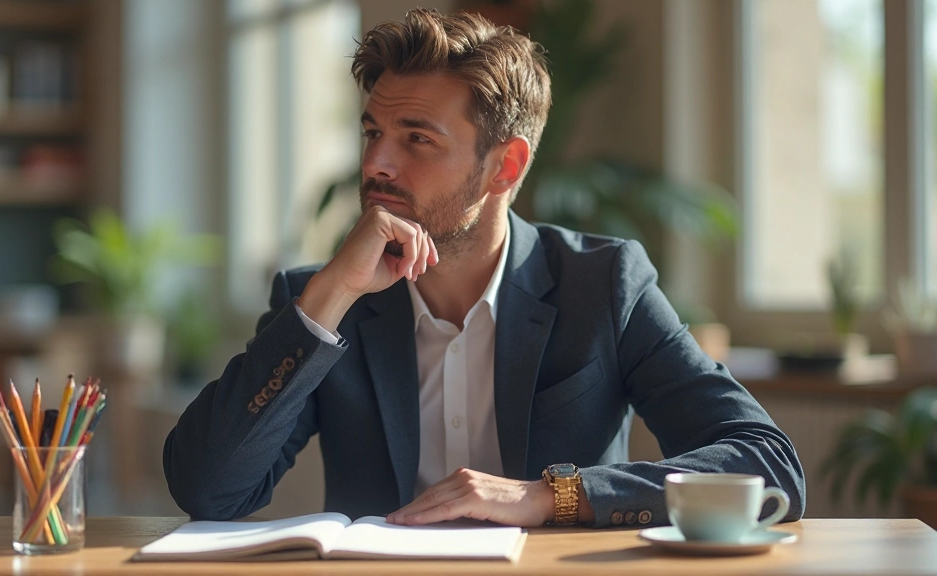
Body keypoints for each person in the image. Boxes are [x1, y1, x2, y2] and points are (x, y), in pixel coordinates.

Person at [164, 8, 805, 528]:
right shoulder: (323, 300)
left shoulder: (604, 284)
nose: (376, 164)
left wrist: (545, 497)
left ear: (505, 167)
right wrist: (327, 296)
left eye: (416, 138)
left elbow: (767, 463)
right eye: (371, 134)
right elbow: (208, 491)